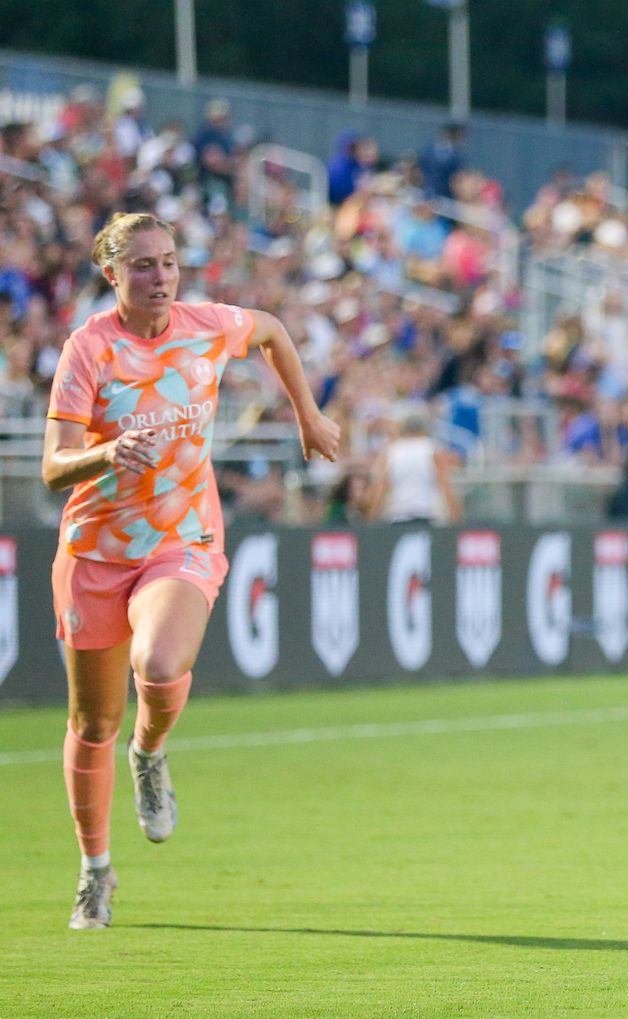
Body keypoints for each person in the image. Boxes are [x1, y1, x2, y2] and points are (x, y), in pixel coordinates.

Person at [42, 213, 340, 929]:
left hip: (182, 535)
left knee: (162, 659)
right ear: (111, 275)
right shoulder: (90, 349)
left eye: (169, 262)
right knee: (91, 722)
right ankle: (95, 871)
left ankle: (150, 753)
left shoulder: (206, 324)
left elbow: (269, 328)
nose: (161, 278)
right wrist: (108, 453)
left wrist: (306, 412)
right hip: (95, 551)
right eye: (143, 266)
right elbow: (54, 466)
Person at [365, 410, 462, 525]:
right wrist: (456, 518)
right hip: (426, 514)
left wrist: (370, 518)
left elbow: (381, 488)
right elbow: (445, 485)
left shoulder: (391, 451)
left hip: (398, 515)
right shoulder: (433, 449)